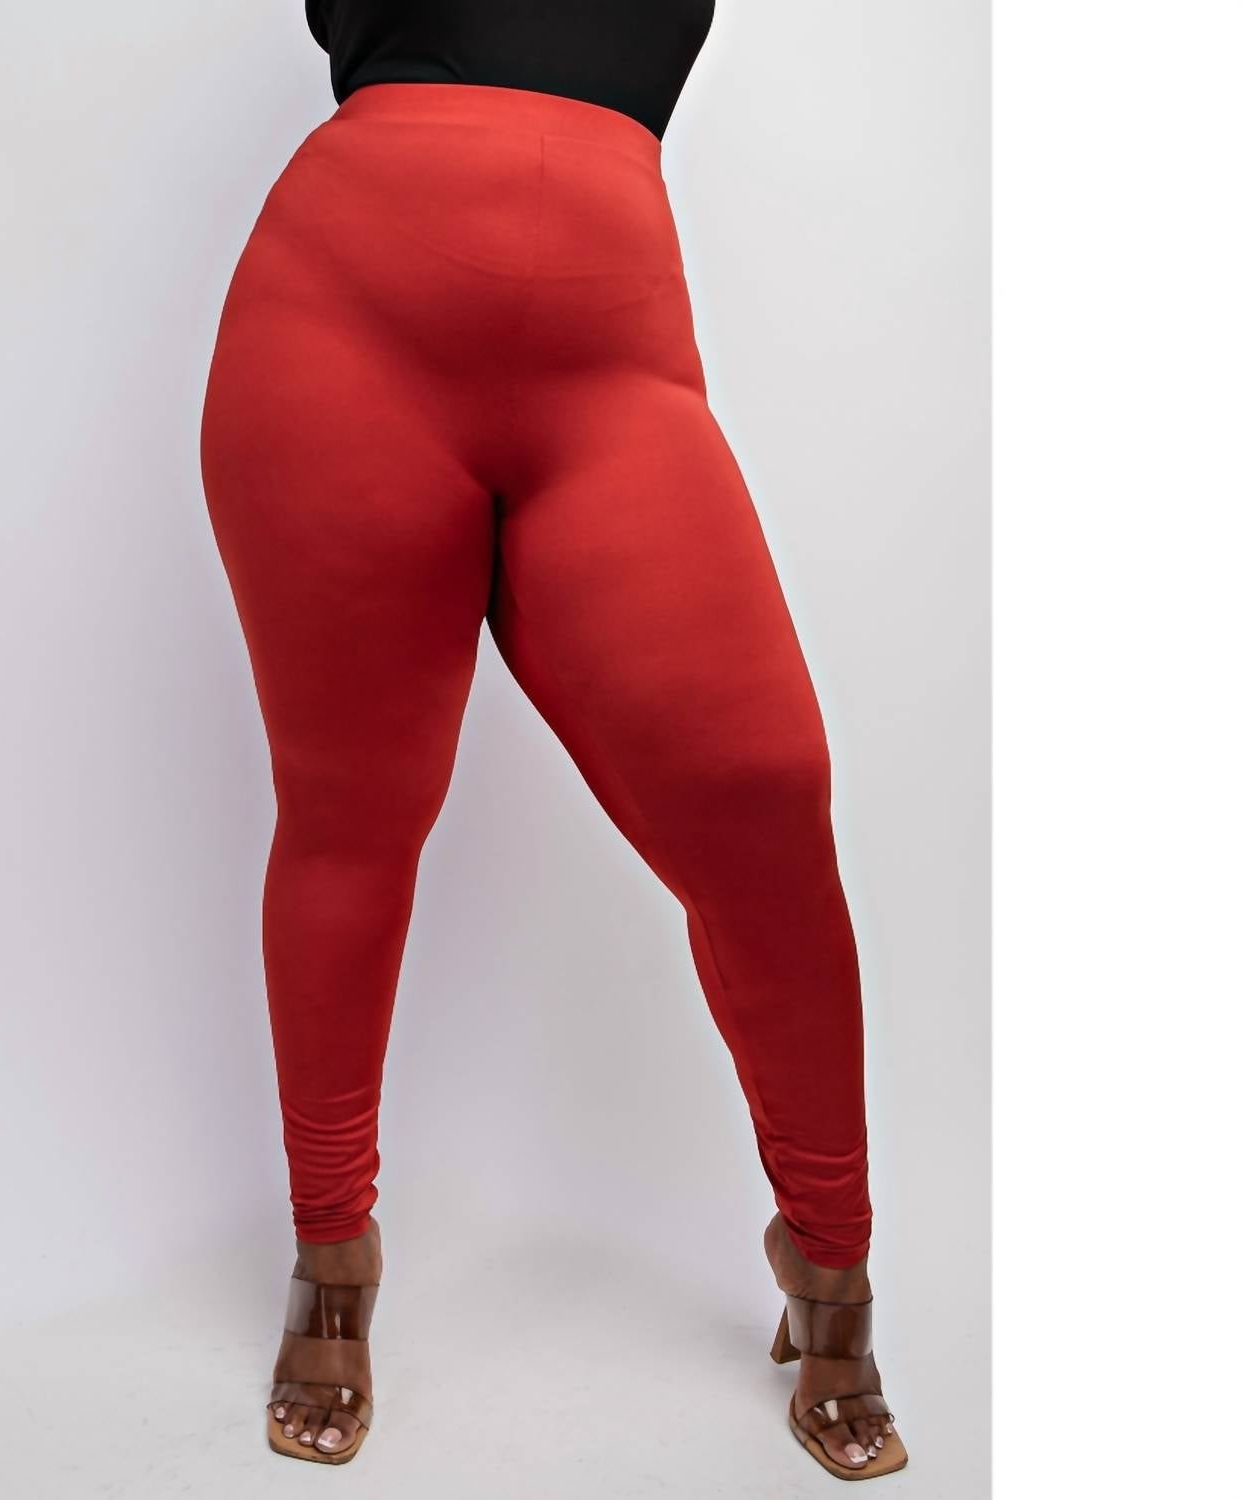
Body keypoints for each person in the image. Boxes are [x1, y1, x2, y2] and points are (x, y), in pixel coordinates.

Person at [200, 1, 904, 1479]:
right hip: (339, 322)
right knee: (352, 814)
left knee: (765, 793)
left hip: (614, 364)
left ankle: (828, 1250)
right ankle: (333, 1249)